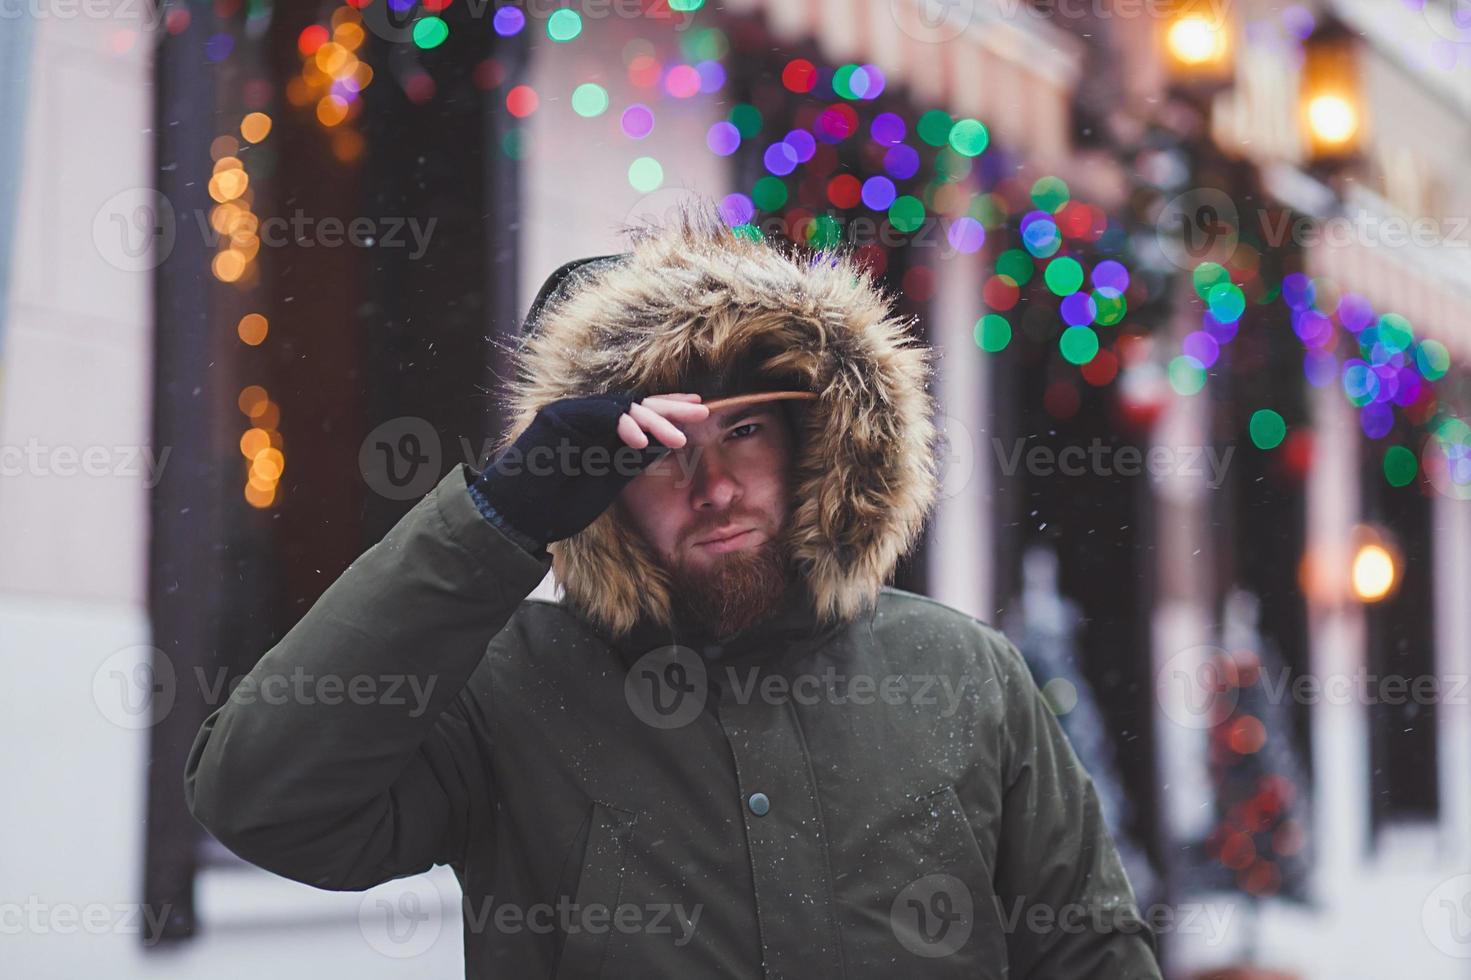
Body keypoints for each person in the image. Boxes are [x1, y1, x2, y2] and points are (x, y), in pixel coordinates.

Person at [184, 204, 1163, 978]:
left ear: (811, 438)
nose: (716, 488)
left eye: (741, 430)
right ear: (594, 488)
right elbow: (262, 796)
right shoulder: (505, 690)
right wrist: (494, 521)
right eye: (656, 454)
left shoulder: (962, 675)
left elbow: (1086, 950)